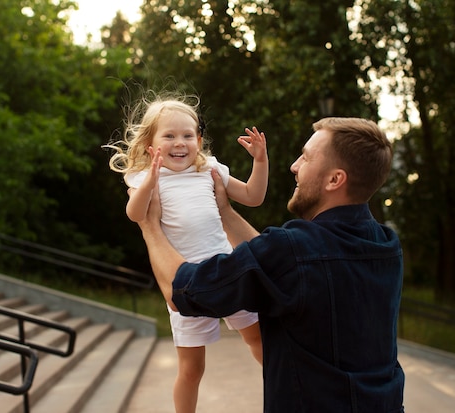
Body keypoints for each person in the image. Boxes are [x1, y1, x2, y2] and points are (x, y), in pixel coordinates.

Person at [136, 117, 405, 412]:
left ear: (334, 180)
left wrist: (149, 225)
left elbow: (185, 291)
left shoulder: (293, 250)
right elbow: (282, 264)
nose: (294, 165)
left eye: (306, 157)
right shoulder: (386, 247)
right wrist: (225, 212)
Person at [106, 93, 267, 413]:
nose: (180, 143)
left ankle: (294, 394)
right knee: (191, 370)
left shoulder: (210, 169)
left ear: (199, 139)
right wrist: (150, 181)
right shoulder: (143, 177)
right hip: (185, 283)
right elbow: (136, 215)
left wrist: (260, 161)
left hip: (227, 271)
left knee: (261, 343)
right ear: (151, 143)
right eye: (169, 136)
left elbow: (253, 196)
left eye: (187, 135)